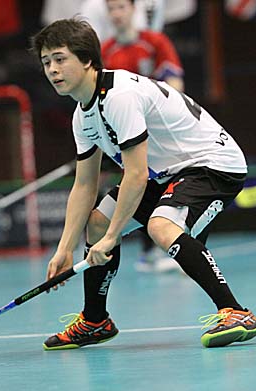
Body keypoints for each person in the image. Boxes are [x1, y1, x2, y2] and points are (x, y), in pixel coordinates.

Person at [30, 19, 256, 350]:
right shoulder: (82, 116)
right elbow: (84, 185)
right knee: (97, 223)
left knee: (161, 226)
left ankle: (236, 312)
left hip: (211, 163)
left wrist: (112, 238)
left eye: (60, 58)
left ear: (87, 60)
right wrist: (64, 249)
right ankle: (95, 321)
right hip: (167, 172)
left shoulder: (119, 96)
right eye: (46, 62)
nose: (52, 69)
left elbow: (136, 174)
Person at [102, 0, 184, 272]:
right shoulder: (105, 51)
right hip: (126, 135)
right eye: (111, 9)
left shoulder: (155, 42)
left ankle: (179, 245)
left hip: (160, 132)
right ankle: (149, 252)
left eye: (121, 7)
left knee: (168, 187)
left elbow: (175, 84)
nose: (116, 14)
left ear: (133, 10)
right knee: (138, 188)